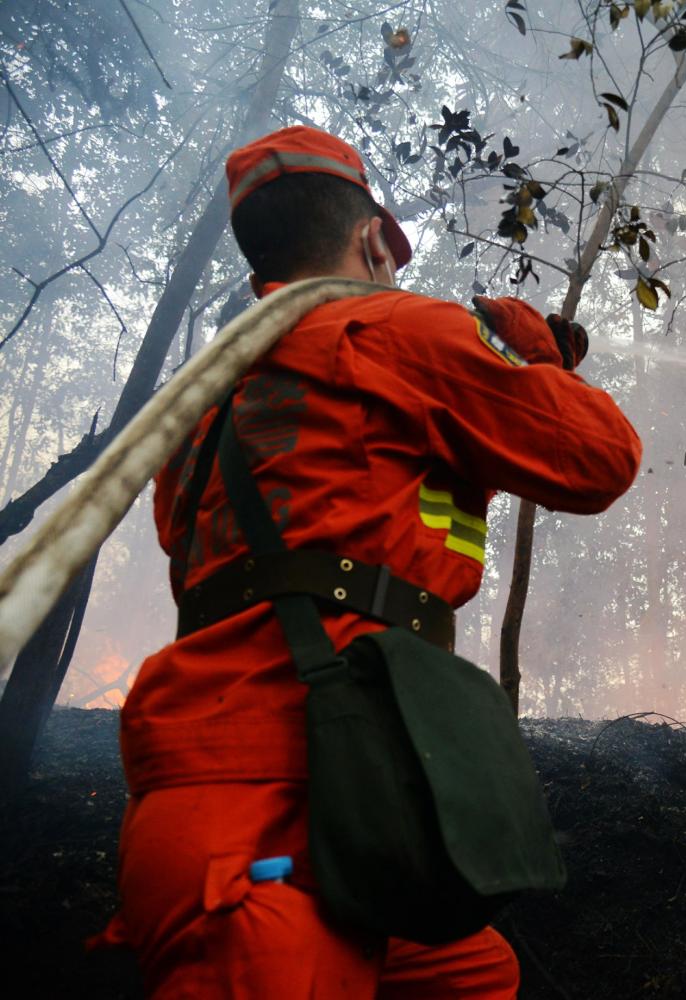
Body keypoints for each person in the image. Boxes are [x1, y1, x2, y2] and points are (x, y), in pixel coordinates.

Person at [91, 125, 642, 997]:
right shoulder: (391, 328)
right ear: (374, 239)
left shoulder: (200, 403)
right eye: (393, 256)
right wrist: (533, 358)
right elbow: (600, 458)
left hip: (300, 805)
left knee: (474, 976)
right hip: (265, 831)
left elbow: (330, 515)